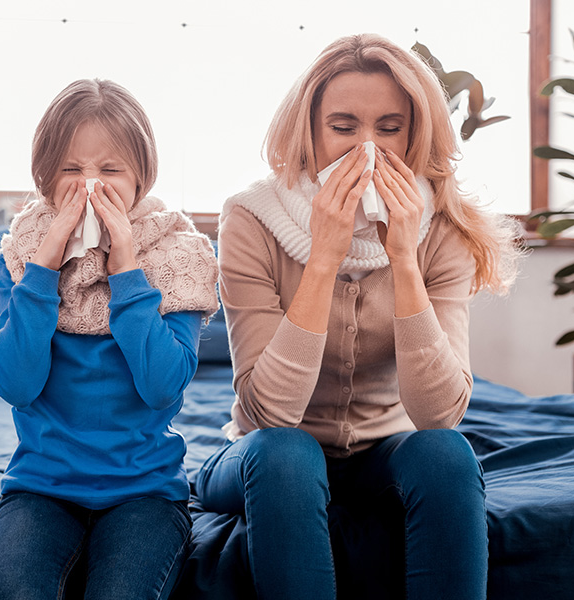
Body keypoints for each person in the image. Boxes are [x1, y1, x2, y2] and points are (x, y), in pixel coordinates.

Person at [195, 33, 521, 600]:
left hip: (383, 453)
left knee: (446, 455)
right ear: (310, 133)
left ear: (415, 133)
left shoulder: (441, 227)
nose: (365, 149)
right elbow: (269, 412)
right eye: (343, 129)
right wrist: (323, 257)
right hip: (267, 454)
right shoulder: (250, 219)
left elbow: (441, 414)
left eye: (389, 129)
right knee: (287, 453)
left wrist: (402, 258)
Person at [0, 78, 219, 599]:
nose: (90, 186)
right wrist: (44, 266)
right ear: (44, 177)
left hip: (145, 492)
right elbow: (16, 384)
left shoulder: (179, 259)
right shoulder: (21, 258)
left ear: (142, 177)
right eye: (71, 170)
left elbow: (162, 387)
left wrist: (127, 269)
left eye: (110, 171)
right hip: (40, 487)